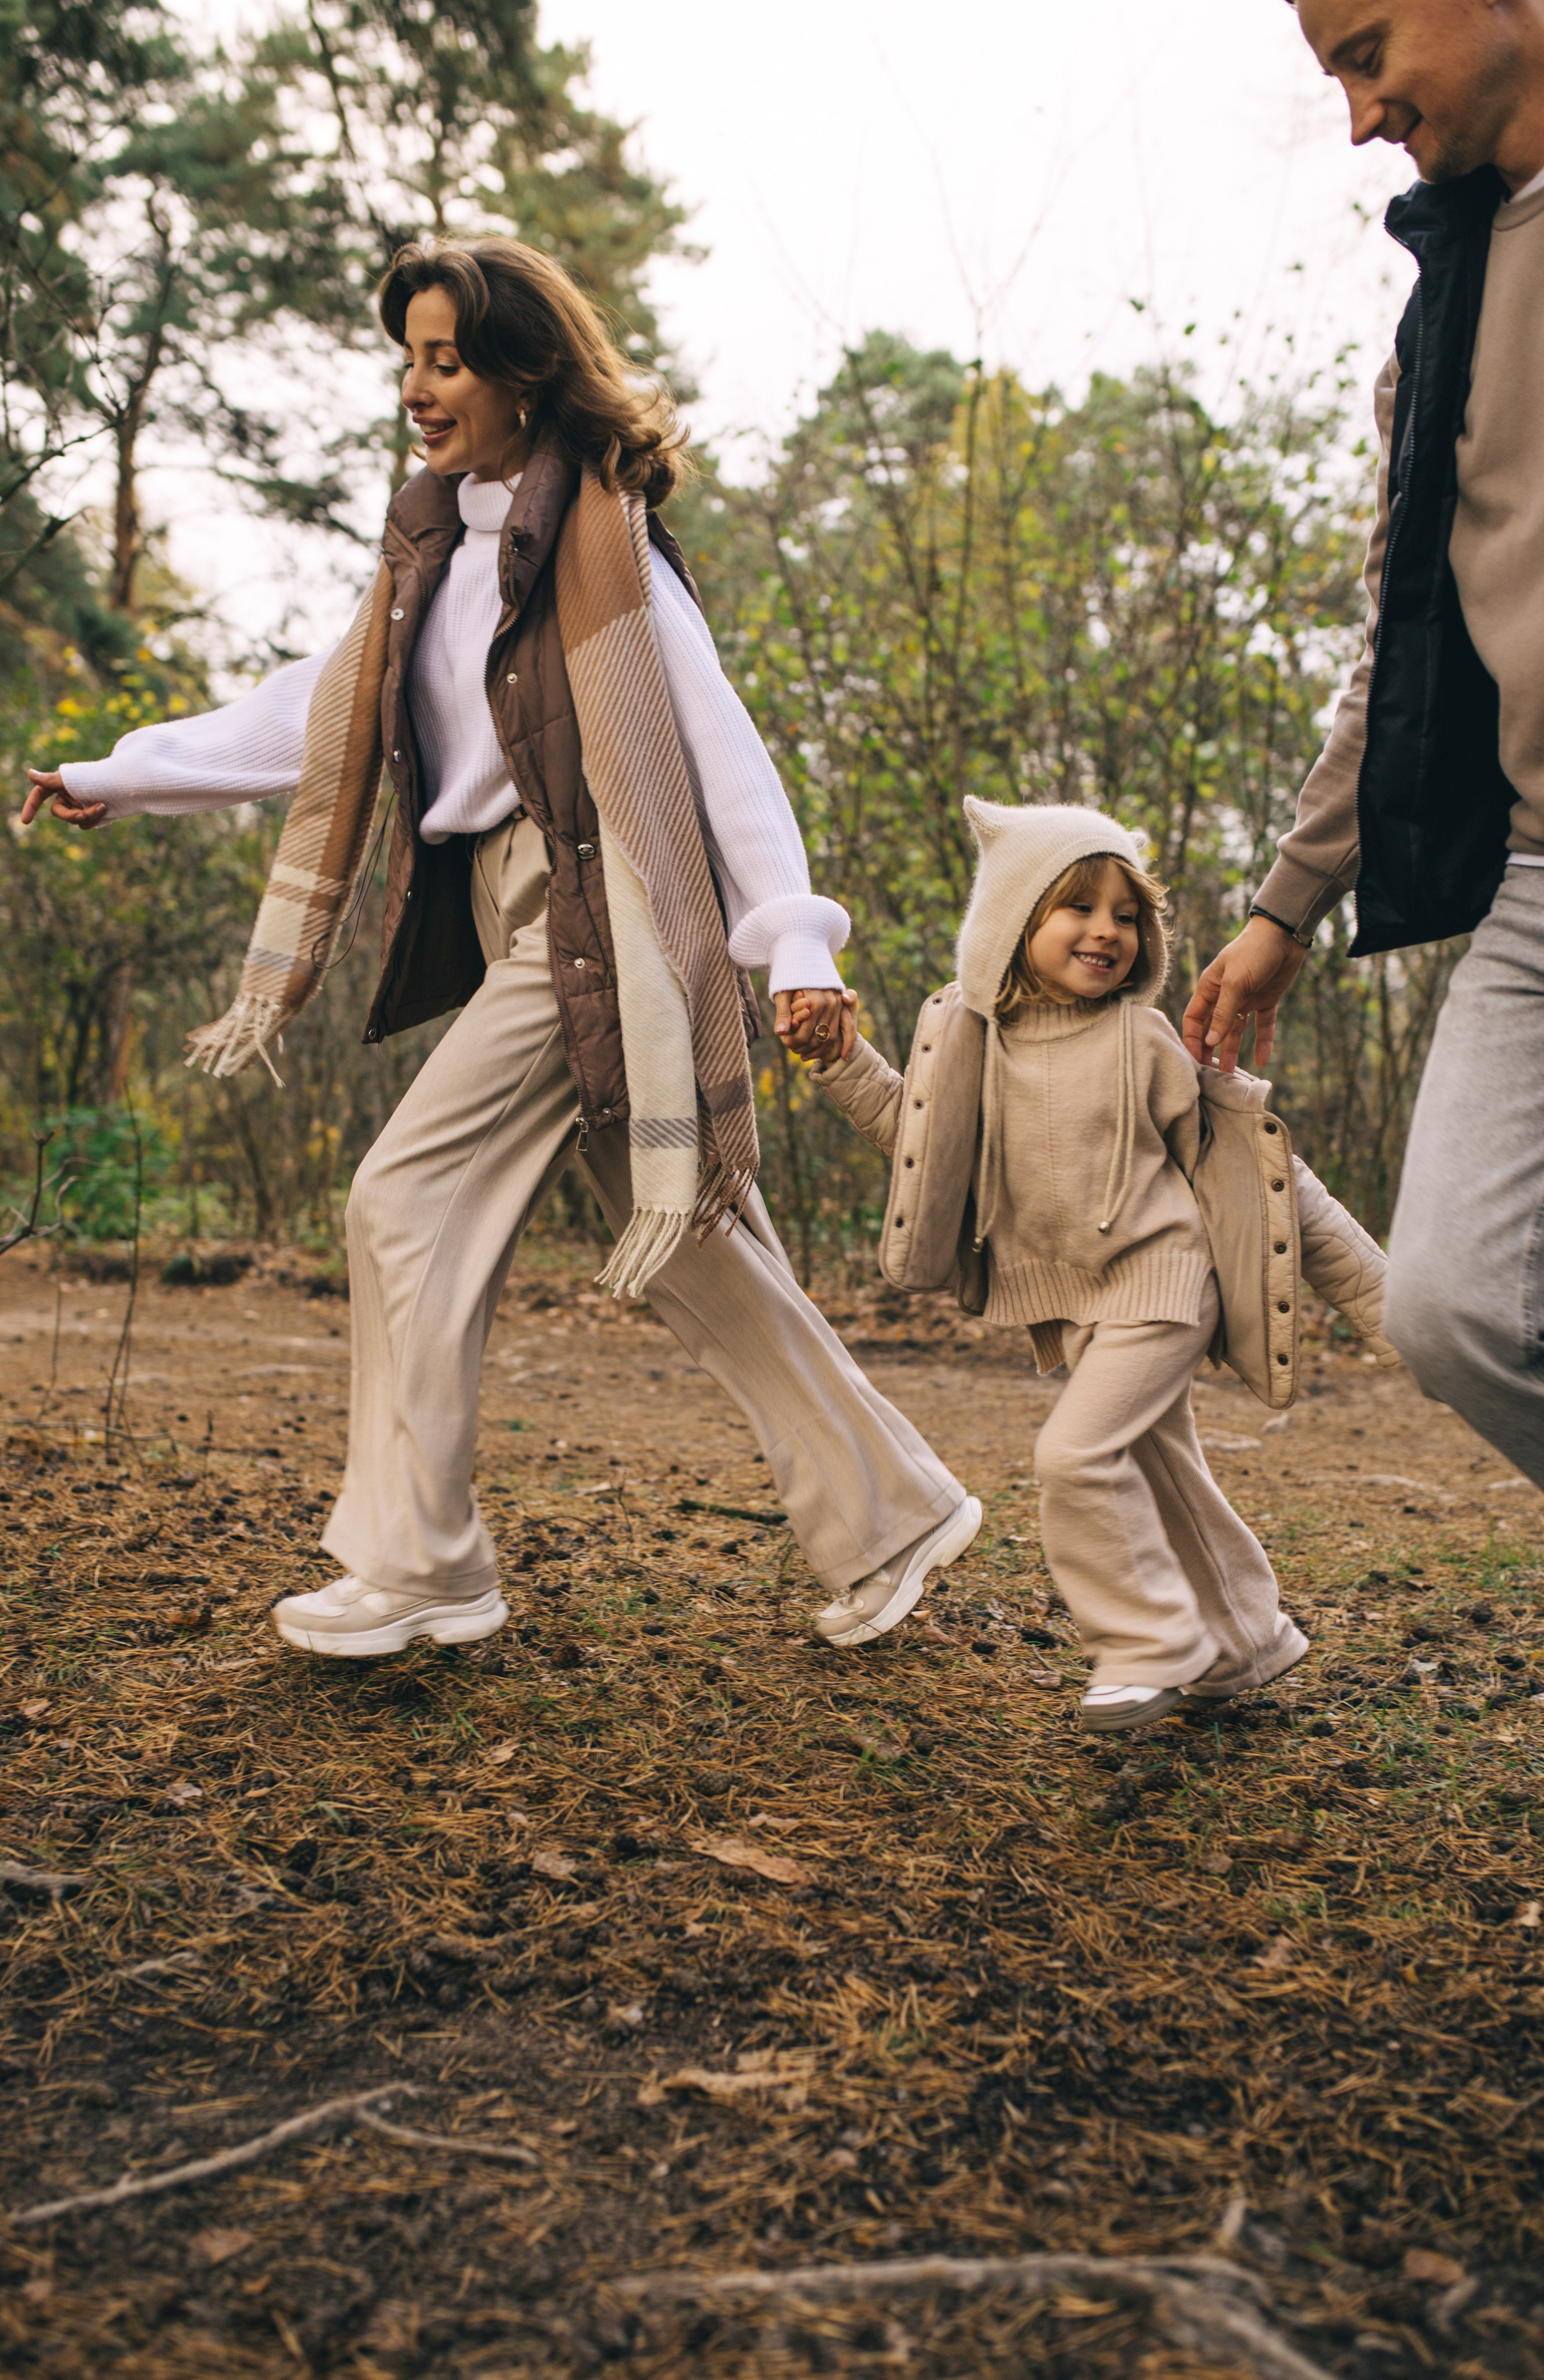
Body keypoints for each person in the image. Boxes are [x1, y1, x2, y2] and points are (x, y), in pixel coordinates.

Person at [21, 236, 981, 1657]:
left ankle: (422, 1565)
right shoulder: (432, 546)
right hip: (505, 907)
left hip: (596, 919)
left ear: (526, 374)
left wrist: (794, 944)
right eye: (407, 357)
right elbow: (323, 705)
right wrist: (122, 769)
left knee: (400, 1200)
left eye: (447, 358)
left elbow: (726, 762)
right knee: (686, 1242)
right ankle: (889, 1511)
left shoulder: (607, 553)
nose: (418, 387)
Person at [1184, 0, 1544, 1530]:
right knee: (1455, 1311)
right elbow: (1402, 644)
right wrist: (1287, 906)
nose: (1358, 115)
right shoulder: (1446, 301)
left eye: (1364, 53)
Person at [803, 799, 1395, 1732]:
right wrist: (842, 1063)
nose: (1106, 931)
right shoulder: (974, 1040)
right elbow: (914, 1135)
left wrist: (1382, 1300)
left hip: (1160, 1286)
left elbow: (1264, 1175)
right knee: (1160, 1467)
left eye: (1126, 914)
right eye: (1075, 907)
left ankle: (1149, 1643)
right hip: (1075, 1305)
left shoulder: (1143, 1039)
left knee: (1075, 1455)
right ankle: (1247, 1639)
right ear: (1013, 924)